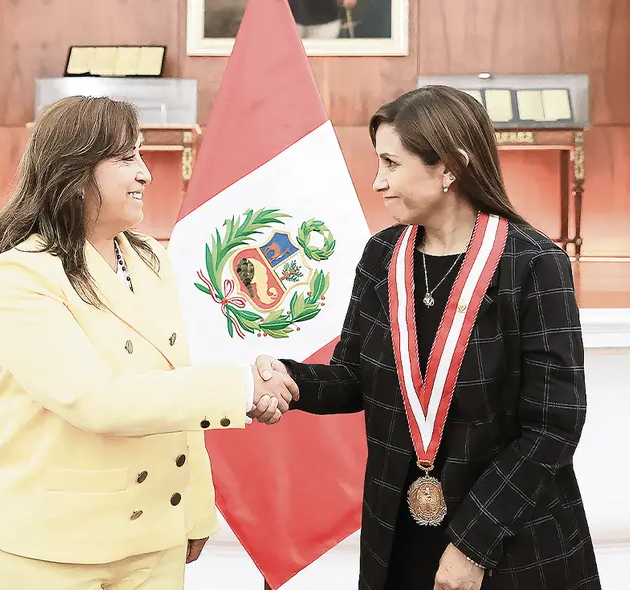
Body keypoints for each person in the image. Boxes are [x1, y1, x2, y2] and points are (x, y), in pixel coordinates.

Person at [256, 85, 600, 590]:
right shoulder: (382, 256)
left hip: (508, 540)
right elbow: (355, 377)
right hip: (398, 538)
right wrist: (292, 380)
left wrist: (473, 544)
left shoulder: (533, 264)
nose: (378, 182)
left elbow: (553, 427)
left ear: (449, 167)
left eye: (391, 164)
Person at [0, 95, 295, 590]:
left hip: (154, 543)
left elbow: (173, 380)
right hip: (55, 551)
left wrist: (193, 509)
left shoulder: (149, 256)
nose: (146, 173)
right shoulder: (21, 274)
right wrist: (239, 391)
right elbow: (97, 400)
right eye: (128, 159)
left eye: (142, 155)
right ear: (74, 171)